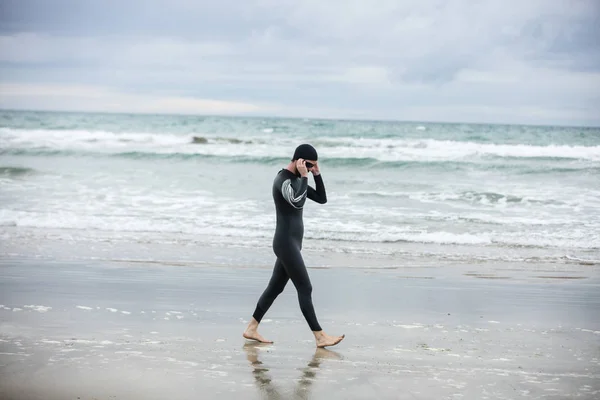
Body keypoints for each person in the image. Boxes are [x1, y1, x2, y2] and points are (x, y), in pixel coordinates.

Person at [243, 144, 345, 348]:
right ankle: (320, 336)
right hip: (285, 243)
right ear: (299, 160)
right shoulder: (283, 180)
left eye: (313, 166)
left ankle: (251, 328)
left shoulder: (298, 179)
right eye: (309, 164)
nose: (309, 168)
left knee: (275, 288)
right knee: (305, 287)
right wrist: (305, 177)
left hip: (292, 244)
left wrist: (316, 175)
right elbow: (297, 202)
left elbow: (322, 199)